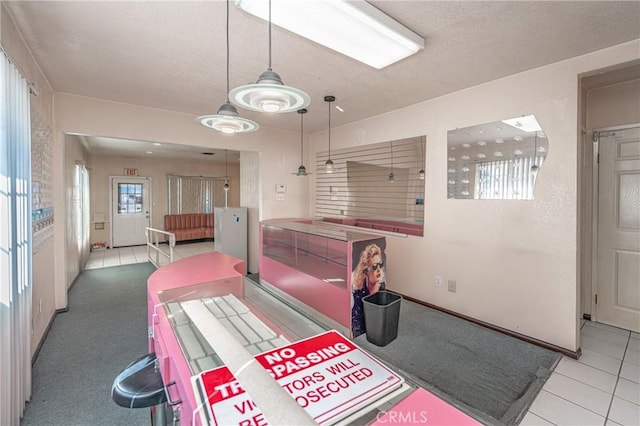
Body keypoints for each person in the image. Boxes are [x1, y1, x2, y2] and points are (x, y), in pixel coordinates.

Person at [351, 243, 386, 337]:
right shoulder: (358, 295)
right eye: (374, 267)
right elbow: (357, 328)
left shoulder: (383, 292)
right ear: (366, 272)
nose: (379, 270)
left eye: (380, 265)